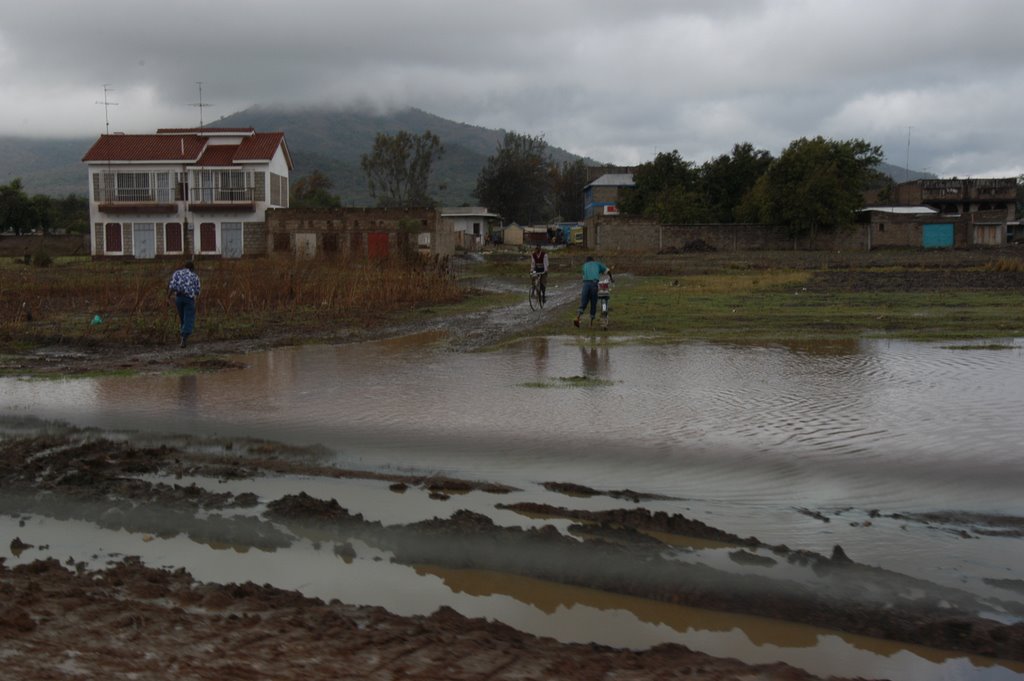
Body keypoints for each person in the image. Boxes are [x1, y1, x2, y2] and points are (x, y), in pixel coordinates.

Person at [168, 260, 201, 348]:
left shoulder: (177, 273)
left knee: (182, 318)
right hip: (189, 299)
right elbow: (197, 291)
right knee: (189, 318)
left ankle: (182, 335)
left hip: (178, 298)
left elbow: (172, 286)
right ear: (192, 268)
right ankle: (184, 337)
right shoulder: (194, 276)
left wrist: (168, 296)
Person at [574, 255, 611, 327]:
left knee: (583, 302)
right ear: (593, 260)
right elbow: (608, 270)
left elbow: (584, 276)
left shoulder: (584, 265)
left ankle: (577, 317)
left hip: (586, 284)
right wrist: (611, 278)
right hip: (594, 284)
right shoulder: (597, 264)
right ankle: (590, 323)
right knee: (593, 302)